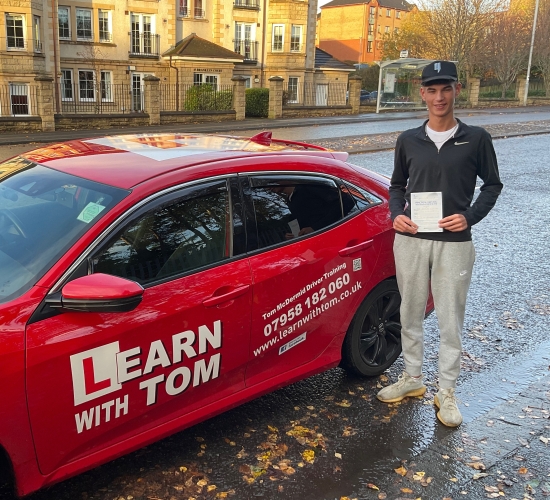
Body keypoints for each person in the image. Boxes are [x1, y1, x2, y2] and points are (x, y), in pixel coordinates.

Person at [376, 61, 503, 427]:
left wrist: (471, 216)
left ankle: (445, 391)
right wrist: (395, 213)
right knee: (409, 313)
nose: (439, 97)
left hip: (454, 243)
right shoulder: (408, 139)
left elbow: (492, 185)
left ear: (457, 90)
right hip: (412, 239)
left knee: (450, 319)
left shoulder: (476, 138)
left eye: (445, 89)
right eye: (431, 90)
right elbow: (397, 185)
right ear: (422, 93)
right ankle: (412, 379)